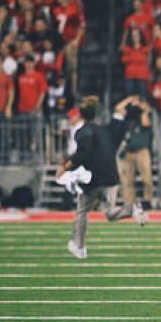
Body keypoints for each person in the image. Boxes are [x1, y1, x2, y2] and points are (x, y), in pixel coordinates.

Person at [57, 96, 147, 260]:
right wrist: (132, 104)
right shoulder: (108, 129)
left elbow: (83, 154)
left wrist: (65, 166)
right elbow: (121, 117)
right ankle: (131, 209)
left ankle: (79, 246)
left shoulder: (82, 132)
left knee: (82, 211)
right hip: (111, 175)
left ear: (82, 115)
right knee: (110, 212)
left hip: (93, 178)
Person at [114, 96, 155, 210]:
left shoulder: (146, 115)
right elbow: (118, 108)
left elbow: (145, 123)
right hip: (128, 151)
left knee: (147, 178)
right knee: (127, 180)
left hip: (142, 150)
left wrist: (142, 108)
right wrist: (129, 100)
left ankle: (147, 201)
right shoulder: (128, 116)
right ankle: (129, 203)